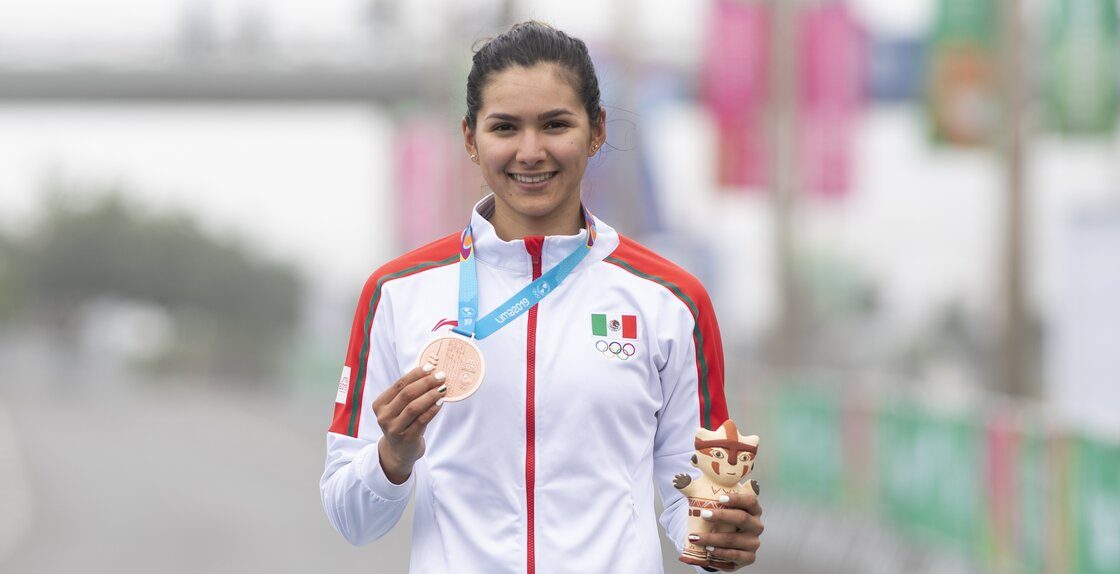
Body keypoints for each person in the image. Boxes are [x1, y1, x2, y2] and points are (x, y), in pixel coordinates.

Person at [320, 20, 764, 573]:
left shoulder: (670, 300)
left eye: (555, 124)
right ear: (470, 138)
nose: (531, 152)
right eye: (505, 127)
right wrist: (392, 457)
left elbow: (689, 494)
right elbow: (351, 518)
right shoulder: (396, 294)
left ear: (596, 130)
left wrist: (717, 536)